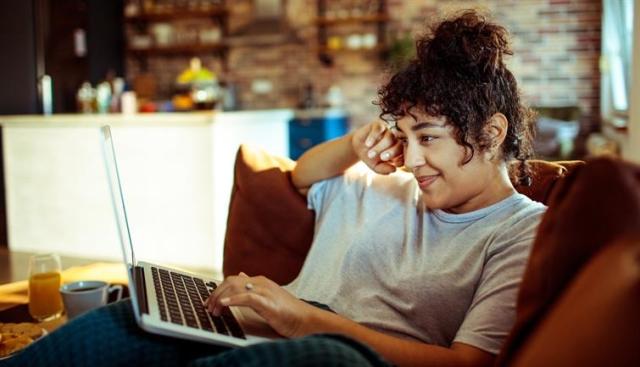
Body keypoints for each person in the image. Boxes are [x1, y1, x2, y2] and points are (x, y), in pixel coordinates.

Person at [5, 10, 545, 367]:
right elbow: (300, 177)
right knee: (133, 321)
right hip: (267, 329)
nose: (414, 158)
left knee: (322, 359)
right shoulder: (388, 184)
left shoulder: (522, 229)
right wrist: (355, 146)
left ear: (491, 133)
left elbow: (469, 363)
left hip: (342, 357)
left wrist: (302, 318)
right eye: (405, 137)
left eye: (428, 138)